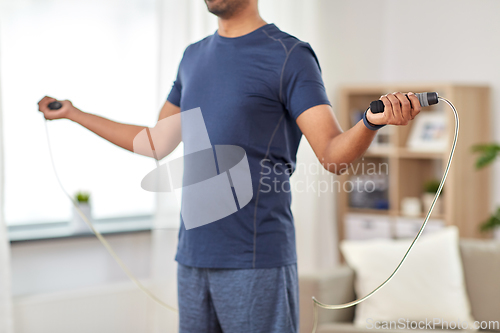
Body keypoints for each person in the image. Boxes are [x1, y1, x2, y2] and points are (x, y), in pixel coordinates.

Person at [38, 0, 421, 332]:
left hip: (255, 263)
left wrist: (372, 122)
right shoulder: (193, 57)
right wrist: (74, 113)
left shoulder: (289, 56)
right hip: (192, 258)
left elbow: (333, 155)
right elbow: (156, 142)